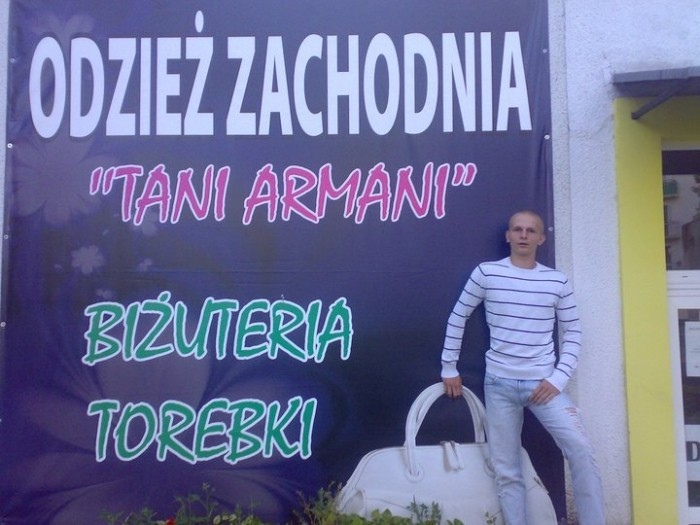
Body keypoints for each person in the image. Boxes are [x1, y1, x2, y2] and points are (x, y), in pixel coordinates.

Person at [440, 210, 605, 525]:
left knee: (581, 449)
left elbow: (573, 332)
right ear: (508, 236)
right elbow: (458, 316)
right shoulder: (487, 273)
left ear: (542, 238)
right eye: (517, 229)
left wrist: (558, 379)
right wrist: (449, 366)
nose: (524, 235)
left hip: (544, 386)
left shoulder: (556, 281)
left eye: (531, 230)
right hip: (499, 385)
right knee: (506, 471)